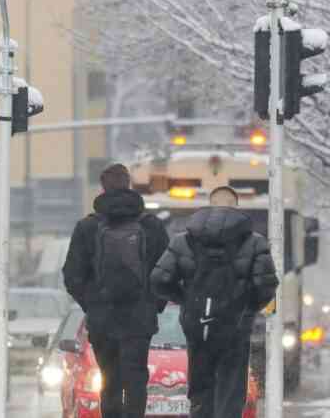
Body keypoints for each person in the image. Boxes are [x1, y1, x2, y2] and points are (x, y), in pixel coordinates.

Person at [150, 186, 278, 418]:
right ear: (236, 206)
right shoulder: (255, 242)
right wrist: (247, 309)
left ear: (209, 205)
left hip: (198, 326)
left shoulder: (182, 241)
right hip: (235, 329)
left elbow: (159, 279)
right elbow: (266, 286)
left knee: (200, 389)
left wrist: (186, 300)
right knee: (231, 389)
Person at [63, 164, 170, 418]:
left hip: (103, 319)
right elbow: (167, 269)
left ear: (103, 187)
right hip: (139, 319)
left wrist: (92, 303)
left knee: (109, 380)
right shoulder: (151, 226)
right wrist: (153, 303)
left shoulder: (87, 227)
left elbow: (71, 275)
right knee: (135, 380)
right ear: (128, 185)